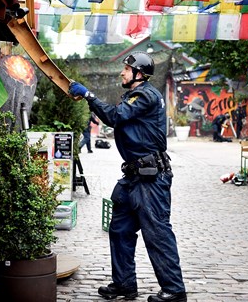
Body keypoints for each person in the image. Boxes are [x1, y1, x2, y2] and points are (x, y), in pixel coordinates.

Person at [69, 52, 187, 302]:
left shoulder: (145, 94)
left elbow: (115, 117)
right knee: (120, 230)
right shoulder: (136, 95)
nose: (122, 73)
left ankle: (175, 291)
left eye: (126, 69)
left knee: (157, 233)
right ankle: (124, 284)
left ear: (139, 74)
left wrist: (89, 96)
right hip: (134, 176)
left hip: (151, 179)